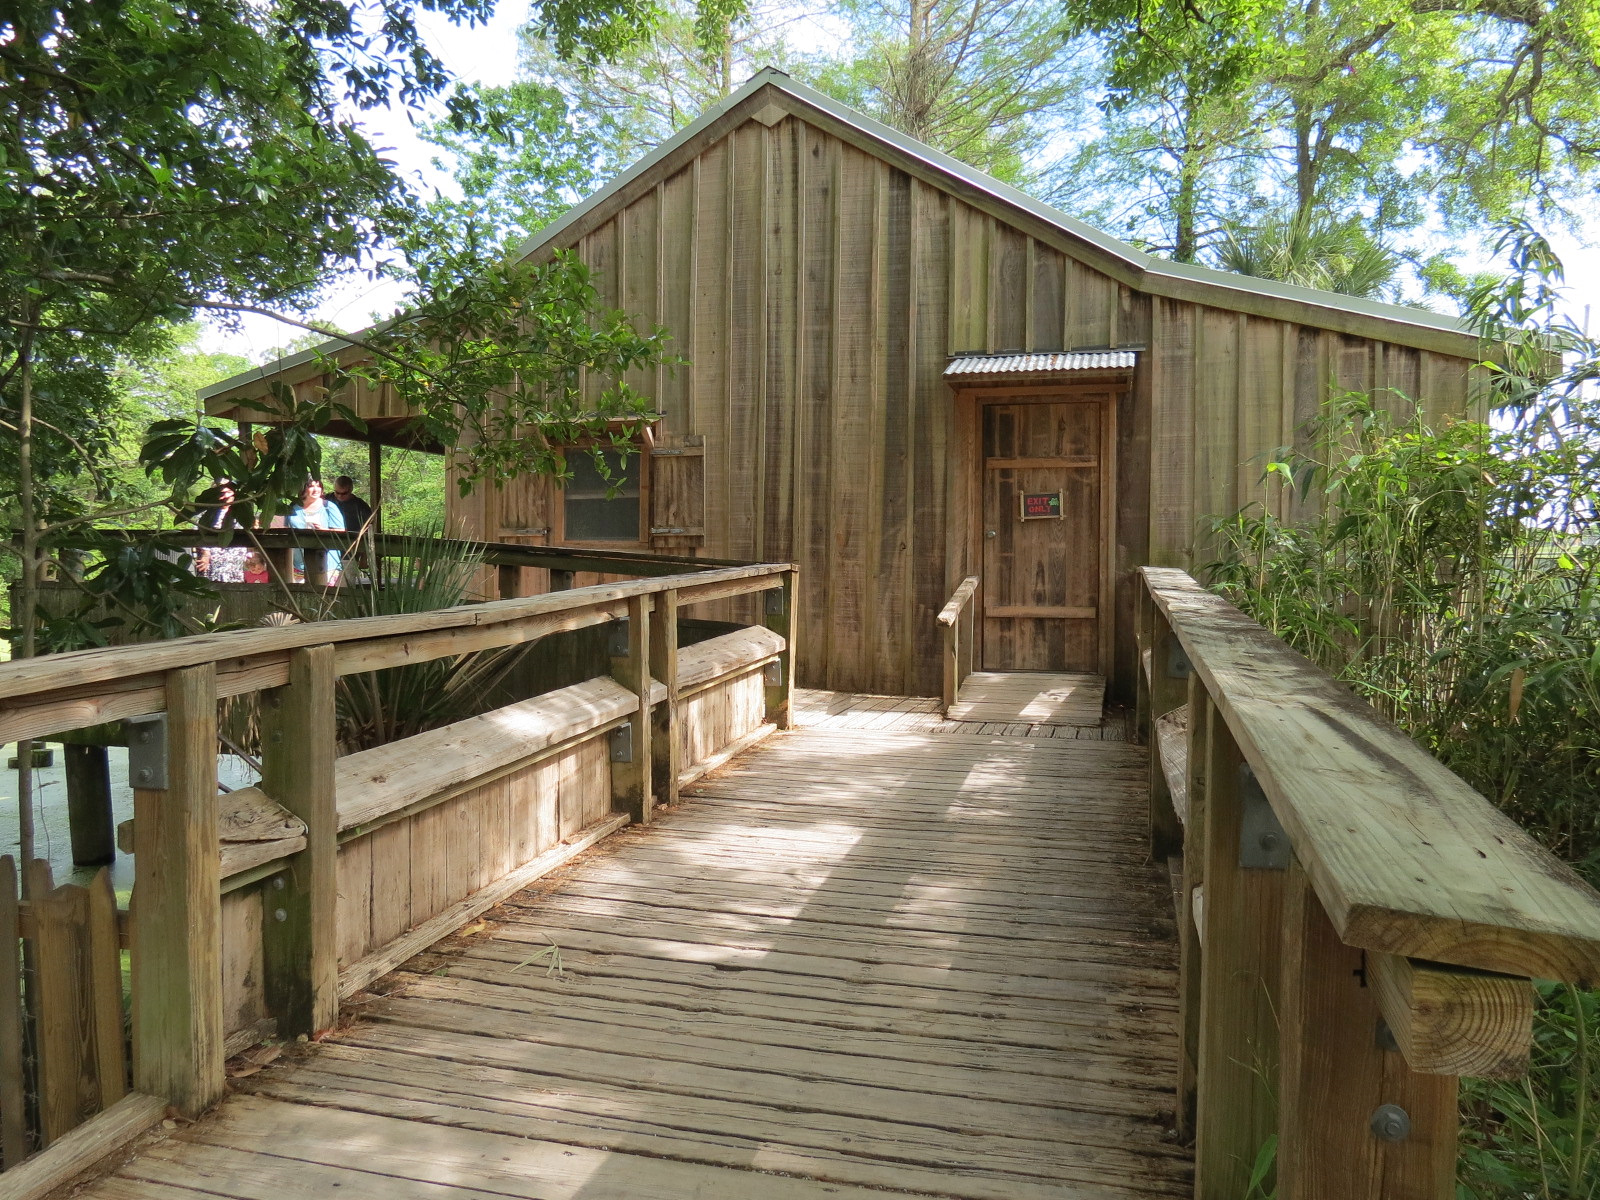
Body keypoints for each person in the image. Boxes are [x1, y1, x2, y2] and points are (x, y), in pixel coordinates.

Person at [287, 479, 344, 582]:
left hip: (327, 565)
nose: (315, 490)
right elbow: (285, 530)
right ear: (303, 489)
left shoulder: (329, 507)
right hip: (298, 565)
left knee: (325, 596)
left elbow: (342, 532)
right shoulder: (292, 507)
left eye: (318, 486)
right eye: (311, 486)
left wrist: (323, 530)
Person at [194, 480, 250, 582]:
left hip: (235, 561)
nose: (225, 496)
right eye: (221, 493)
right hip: (213, 561)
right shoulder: (207, 513)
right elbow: (200, 532)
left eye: (228, 492)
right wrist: (206, 554)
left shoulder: (241, 511)